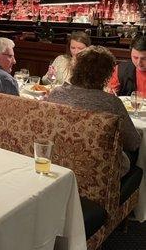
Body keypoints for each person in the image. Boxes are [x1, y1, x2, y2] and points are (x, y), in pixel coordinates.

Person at [47, 46, 141, 176]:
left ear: (75, 69)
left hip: (60, 161)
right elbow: (133, 143)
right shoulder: (111, 103)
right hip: (99, 172)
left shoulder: (56, 93)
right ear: (107, 75)